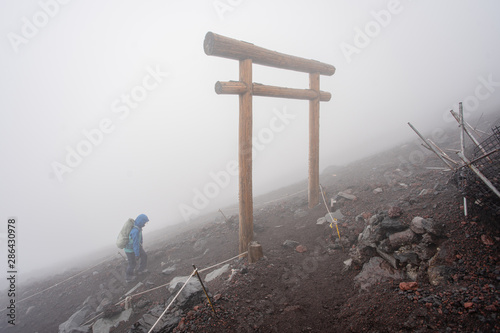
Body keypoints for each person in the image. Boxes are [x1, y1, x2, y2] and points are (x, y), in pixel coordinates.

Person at [124, 214, 149, 282]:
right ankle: (128, 277)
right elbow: (135, 243)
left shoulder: (138, 227)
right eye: (144, 222)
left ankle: (141, 270)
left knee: (144, 256)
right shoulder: (135, 230)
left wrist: (140, 246)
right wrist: (137, 254)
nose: (145, 224)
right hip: (129, 249)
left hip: (136, 247)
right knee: (132, 263)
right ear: (141, 221)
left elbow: (139, 240)